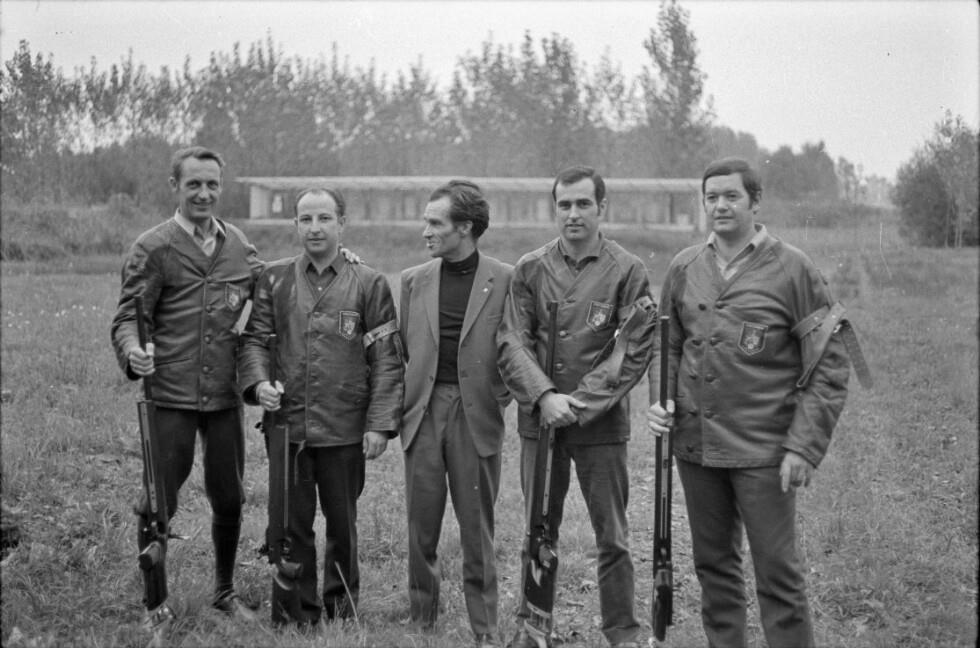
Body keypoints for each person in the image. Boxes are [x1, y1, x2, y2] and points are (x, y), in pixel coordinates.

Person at [647, 157, 859, 648]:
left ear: (755, 202)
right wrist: (662, 400)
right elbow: (667, 344)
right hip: (697, 448)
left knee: (778, 573)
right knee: (714, 567)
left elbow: (829, 365)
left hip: (764, 452)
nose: (720, 206)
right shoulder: (684, 267)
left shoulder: (793, 269)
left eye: (731, 196)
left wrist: (803, 447)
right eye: (711, 197)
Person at [497, 166, 657, 648]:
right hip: (540, 422)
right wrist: (545, 396)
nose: (573, 214)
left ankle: (622, 632)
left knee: (613, 535)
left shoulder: (627, 270)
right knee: (538, 529)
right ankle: (533, 628)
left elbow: (633, 348)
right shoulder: (530, 268)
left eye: (583, 204)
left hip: (600, 427)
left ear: (601, 207)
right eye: (564, 204)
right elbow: (512, 340)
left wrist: (580, 403)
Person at [110, 146, 264, 639]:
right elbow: (127, 319)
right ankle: (155, 603)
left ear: (221, 187)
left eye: (212, 184)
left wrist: (339, 258)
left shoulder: (238, 244)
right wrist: (134, 350)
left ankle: (225, 591)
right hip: (170, 394)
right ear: (174, 186)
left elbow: (275, 285)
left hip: (223, 394)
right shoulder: (152, 247)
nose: (203, 193)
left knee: (230, 497)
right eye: (193, 183)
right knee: (158, 502)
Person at [238, 186, 404, 627]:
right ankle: (297, 613)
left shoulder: (368, 283)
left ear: (342, 224)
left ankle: (342, 610)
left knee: (342, 524)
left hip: (344, 428)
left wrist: (379, 424)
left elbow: (386, 360)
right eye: (306, 219)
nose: (315, 228)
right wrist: (259, 384)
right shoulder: (274, 279)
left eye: (324, 218)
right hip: (287, 428)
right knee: (290, 525)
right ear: (295, 224)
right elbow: (253, 341)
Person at [399, 180, 513, 647]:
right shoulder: (413, 280)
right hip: (423, 413)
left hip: (475, 415)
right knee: (420, 524)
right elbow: (403, 348)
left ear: (464, 227)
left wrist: (495, 396)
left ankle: (484, 627)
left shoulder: (506, 279)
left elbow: (516, 346)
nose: (425, 231)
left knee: (476, 526)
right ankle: (421, 618)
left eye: (435, 222)